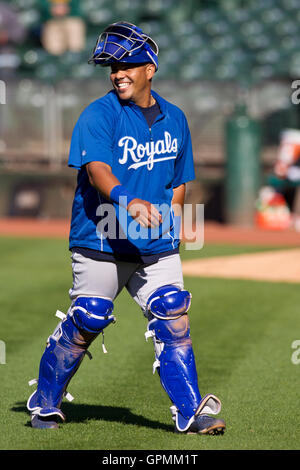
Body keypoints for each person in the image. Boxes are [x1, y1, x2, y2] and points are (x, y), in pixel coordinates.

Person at [26, 21, 226, 435]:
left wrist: (171, 220)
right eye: (112, 67)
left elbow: (178, 180)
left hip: (154, 244)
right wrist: (127, 200)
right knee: (90, 317)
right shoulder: (98, 115)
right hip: (99, 238)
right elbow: (97, 169)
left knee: (173, 311)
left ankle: (191, 412)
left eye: (128, 64)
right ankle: (45, 402)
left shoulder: (176, 118)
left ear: (150, 68)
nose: (118, 73)